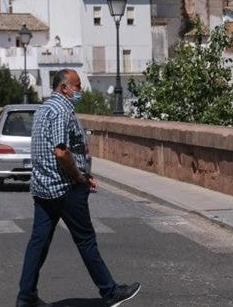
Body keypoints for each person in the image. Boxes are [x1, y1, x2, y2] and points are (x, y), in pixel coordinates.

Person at [16, 69, 140, 307]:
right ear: (64, 88)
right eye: (77, 86)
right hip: (65, 187)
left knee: (38, 242)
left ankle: (26, 296)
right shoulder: (62, 109)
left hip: (43, 187)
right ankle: (110, 291)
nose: (80, 90)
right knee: (85, 240)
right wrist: (79, 177)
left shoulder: (43, 108)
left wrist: (85, 174)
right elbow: (61, 152)